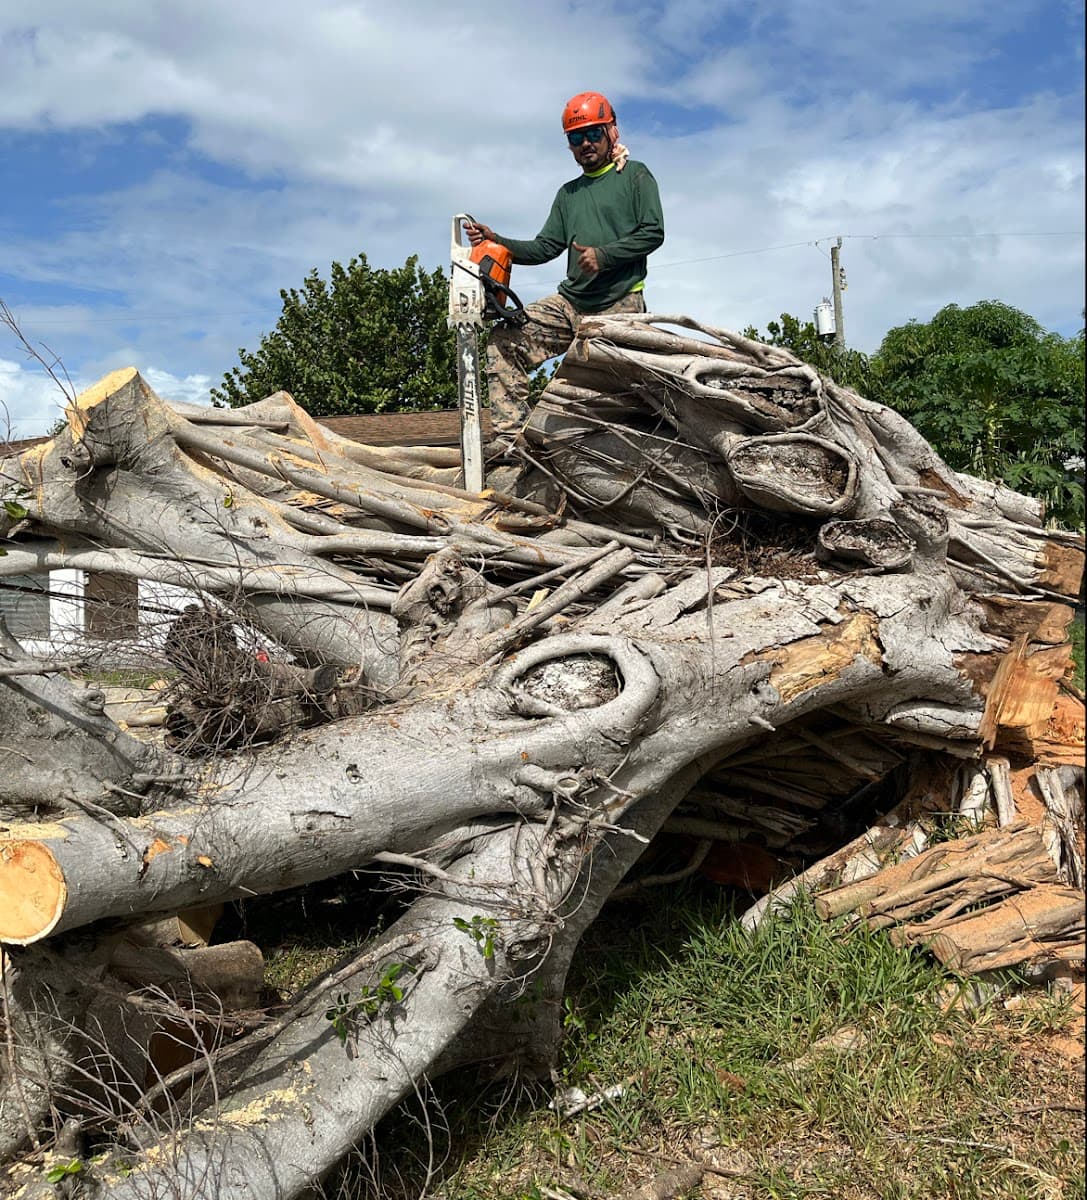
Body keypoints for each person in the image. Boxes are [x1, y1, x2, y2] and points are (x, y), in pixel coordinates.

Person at [466, 91, 664, 443]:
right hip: (571, 303)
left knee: (616, 397)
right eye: (576, 138)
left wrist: (603, 256)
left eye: (593, 134)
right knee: (504, 339)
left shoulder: (635, 176)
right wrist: (495, 239)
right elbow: (545, 247)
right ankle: (511, 441)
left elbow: (653, 232)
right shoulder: (567, 194)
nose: (585, 143)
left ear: (611, 132)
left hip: (618, 305)